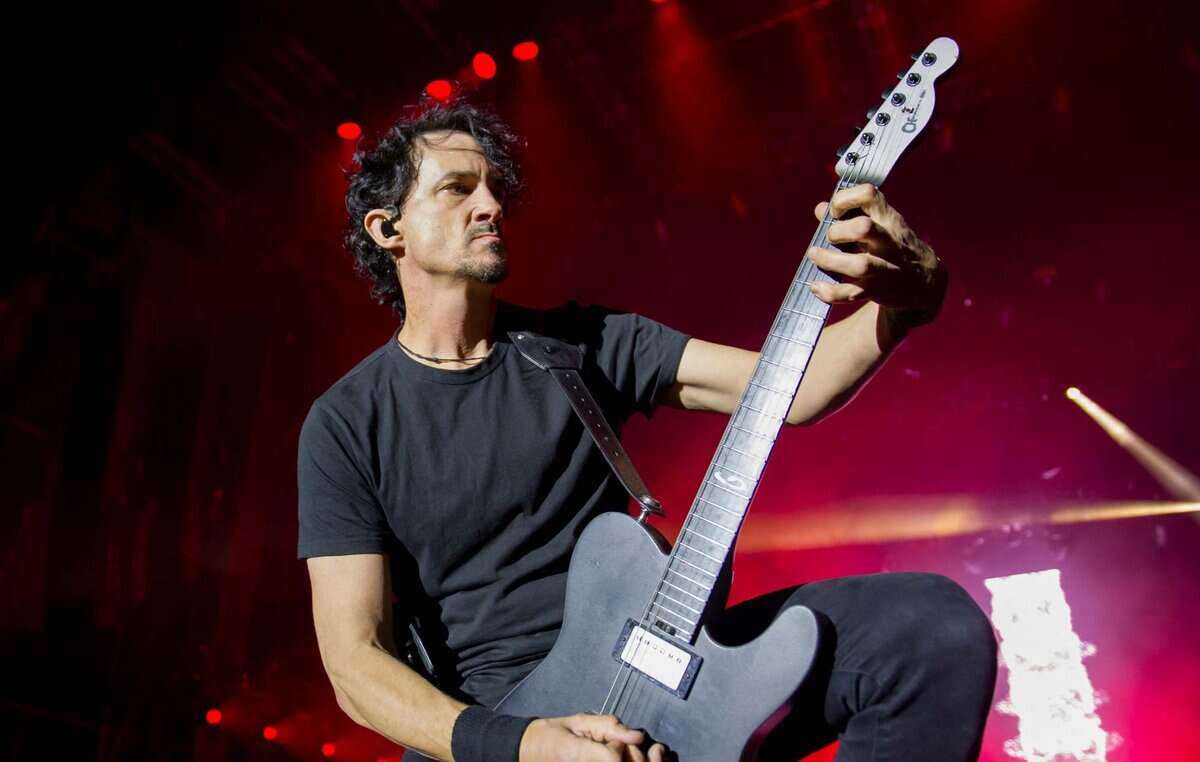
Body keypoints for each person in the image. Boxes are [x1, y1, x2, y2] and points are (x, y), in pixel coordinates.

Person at [298, 100, 996, 762]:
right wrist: (527, 744)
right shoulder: (347, 423)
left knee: (929, 630)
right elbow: (356, 661)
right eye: (457, 188)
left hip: (661, 665)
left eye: (492, 187)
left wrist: (909, 304)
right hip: (509, 723)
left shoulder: (584, 344)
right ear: (388, 230)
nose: (490, 205)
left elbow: (794, 389)